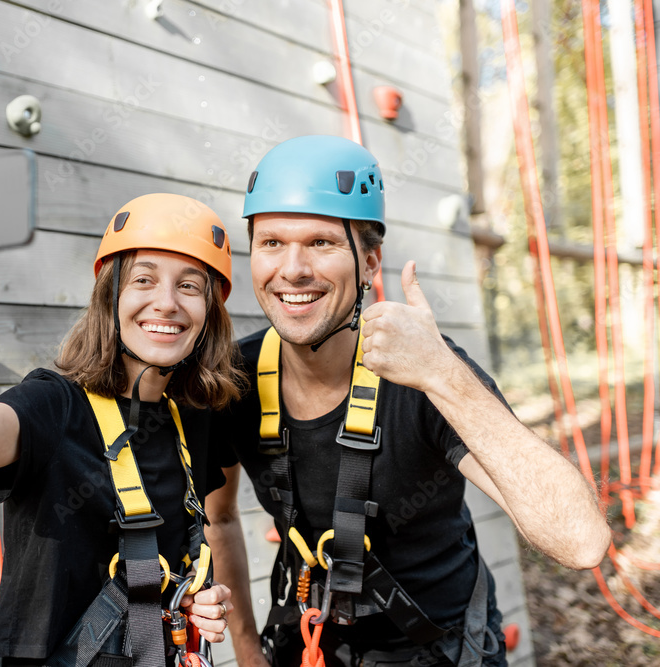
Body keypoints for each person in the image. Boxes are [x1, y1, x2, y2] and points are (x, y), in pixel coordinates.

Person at [204, 136, 611, 667]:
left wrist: (443, 375)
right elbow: (222, 519)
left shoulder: (427, 373)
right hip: (310, 644)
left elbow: (581, 543)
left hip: (440, 647)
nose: (294, 269)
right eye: (272, 243)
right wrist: (247, 651)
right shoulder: (234, 379)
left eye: (322, 243)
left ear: (370, 262)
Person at [0, 155, 248, 665]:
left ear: (210, 313)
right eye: (143, 280)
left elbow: (161, 563)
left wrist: (184, 602)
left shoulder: (190, 420)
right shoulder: (52, 406)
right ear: (110, 297)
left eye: (189, 286)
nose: (167, 302)